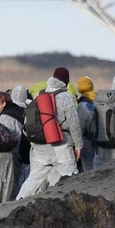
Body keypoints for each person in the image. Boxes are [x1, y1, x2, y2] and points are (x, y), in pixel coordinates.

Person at [15, 67, 85, 199]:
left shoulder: (39, 95)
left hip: (39, 144)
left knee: (34, 178)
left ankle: (17, 202)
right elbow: (74, 124)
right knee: (70, 176)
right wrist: (78, 145)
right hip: (61, 143)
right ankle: (69, 203)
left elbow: (27, 122)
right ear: (66, 82)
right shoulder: (66, 97)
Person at [76, 76, 97, 172]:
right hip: (100, 141)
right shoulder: (98, 99)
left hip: (87, 142)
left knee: (88, 170)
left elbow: (79, 129)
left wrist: (76, 145)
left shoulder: (81, 105)